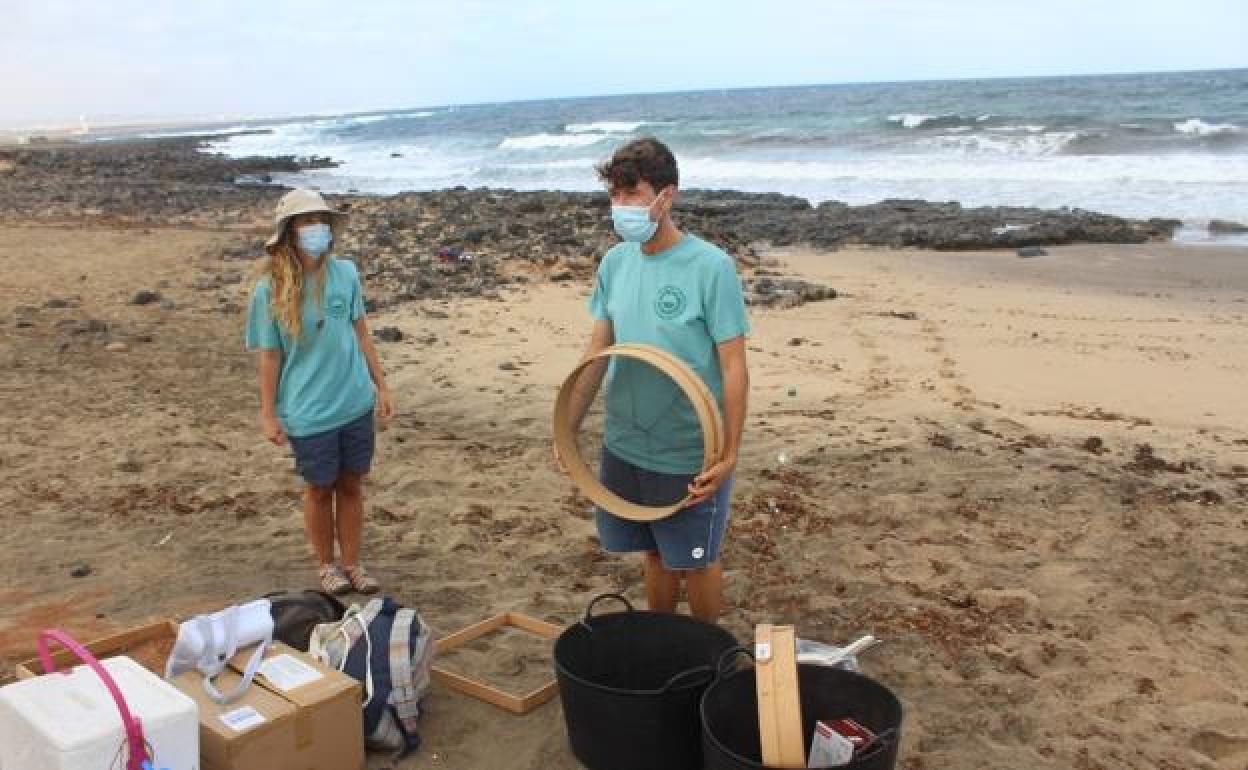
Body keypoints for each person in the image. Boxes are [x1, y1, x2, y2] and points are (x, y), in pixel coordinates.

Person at [562, 138, 750, 621]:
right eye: (615, 194)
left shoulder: (711, 267)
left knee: (697, 560)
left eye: (633, 193)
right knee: (654, 552)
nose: (621, 205)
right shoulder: (615, 262)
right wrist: (566, 429)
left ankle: (707, 652)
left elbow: (734, 366)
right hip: (626, 442)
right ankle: (663, 640)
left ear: (667, 196)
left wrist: (729, 454)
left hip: (689, 448)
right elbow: (597, 353)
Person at [246, 188, 394, 595]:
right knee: (318, 488)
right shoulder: (269, 290)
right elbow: (270, 356)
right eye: (307, 221)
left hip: (354, 401)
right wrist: (268, 413)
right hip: (308, 411)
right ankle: (326, 566)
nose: (317, 228)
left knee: (352, 485)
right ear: (289, 231)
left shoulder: (346, 273)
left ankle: (353, 564)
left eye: (322, 221)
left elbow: (361, 333)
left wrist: (381, 386)